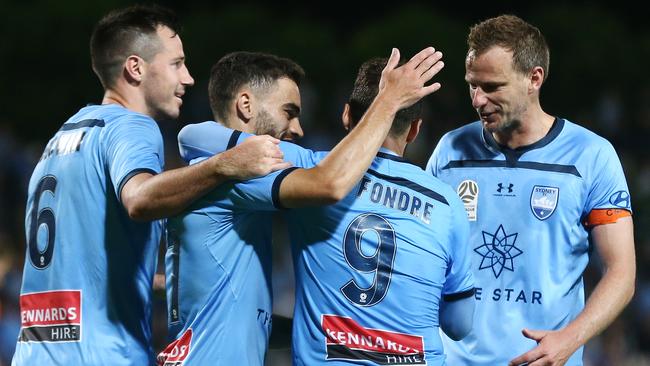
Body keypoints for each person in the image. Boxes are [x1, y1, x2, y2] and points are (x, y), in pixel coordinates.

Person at [12, 5, 287, 366]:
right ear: (135, 67)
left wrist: (171, 283)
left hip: (35, 352)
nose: (188, 78)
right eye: (177, 64)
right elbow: (139, 198)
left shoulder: (62, 138)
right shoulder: (131, 126)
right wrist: (226, 164)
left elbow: (87, 262)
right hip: (102, 355)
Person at [167, 54, 473, 365]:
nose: (297, 129)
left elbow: (200, 138)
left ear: (346, 116)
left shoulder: (307, 165)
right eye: (290, 113)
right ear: (415, 130)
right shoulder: (447, 203)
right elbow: (460, 324)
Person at [426, 14, 636, 366]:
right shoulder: (449, 151)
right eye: (472, 85)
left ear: (533, 79)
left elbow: (622, 274)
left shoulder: (590, 156)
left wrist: (570, 338)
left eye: (492, 87)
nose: (478, 100)